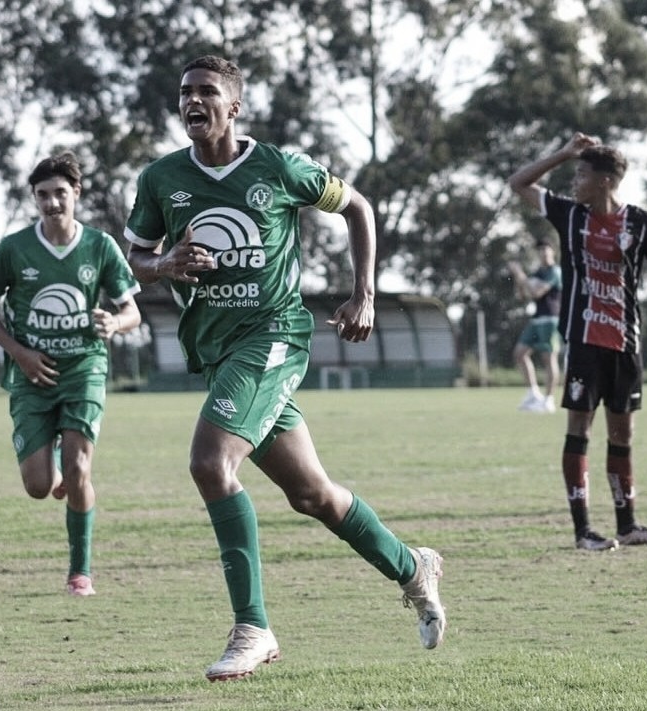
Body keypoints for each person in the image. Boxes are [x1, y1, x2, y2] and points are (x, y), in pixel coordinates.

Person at [124, 55, 446, 682]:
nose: (194, 101)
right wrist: (164, 267)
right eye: (185, 92)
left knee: (209, 464)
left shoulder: (278, 167)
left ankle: (253, 629)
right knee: (312, 495)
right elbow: (136, 254)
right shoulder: (161, 179)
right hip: (220, 352)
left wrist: (365, 294)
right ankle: (412, 566)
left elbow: (358, 207)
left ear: (234, 106)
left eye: (207, 92)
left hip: (274, 337)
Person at [508, 132, 647, 552]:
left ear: (606, 181)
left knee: (622, 434)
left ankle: (627, 526)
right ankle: (583, 531)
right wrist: (563, 153)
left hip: (626, 344)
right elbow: (518, 183)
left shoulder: (640, 223)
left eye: (582, 174)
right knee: (579, 429)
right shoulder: (570, 216)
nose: (575, 181)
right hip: (583, 341)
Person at [0, 152, 142, 595]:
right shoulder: (14, 249)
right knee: (37, 486)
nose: (52, 203)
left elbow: (132, 312)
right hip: (32, 376)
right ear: (34, 198)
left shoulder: (100, 247)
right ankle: (51, 458)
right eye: (43, 195)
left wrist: (114, 322)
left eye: (60, 194)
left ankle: (80, 572)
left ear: (76, 194)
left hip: (84, 368)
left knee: (80, 469)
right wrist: (19, 352)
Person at [508, 238, 562, 412]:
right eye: (540, 250)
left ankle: (549, 400)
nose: (543, 252)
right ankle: (533, 393)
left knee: (548, 358)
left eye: (546, 249)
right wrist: (518, 277)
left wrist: (521, 275)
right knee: (520, 353)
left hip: (551, 319)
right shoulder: (538, 273)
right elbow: (523, 295)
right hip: (537, 318)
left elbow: (537, 292)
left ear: (552, 252)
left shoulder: (555, 272)